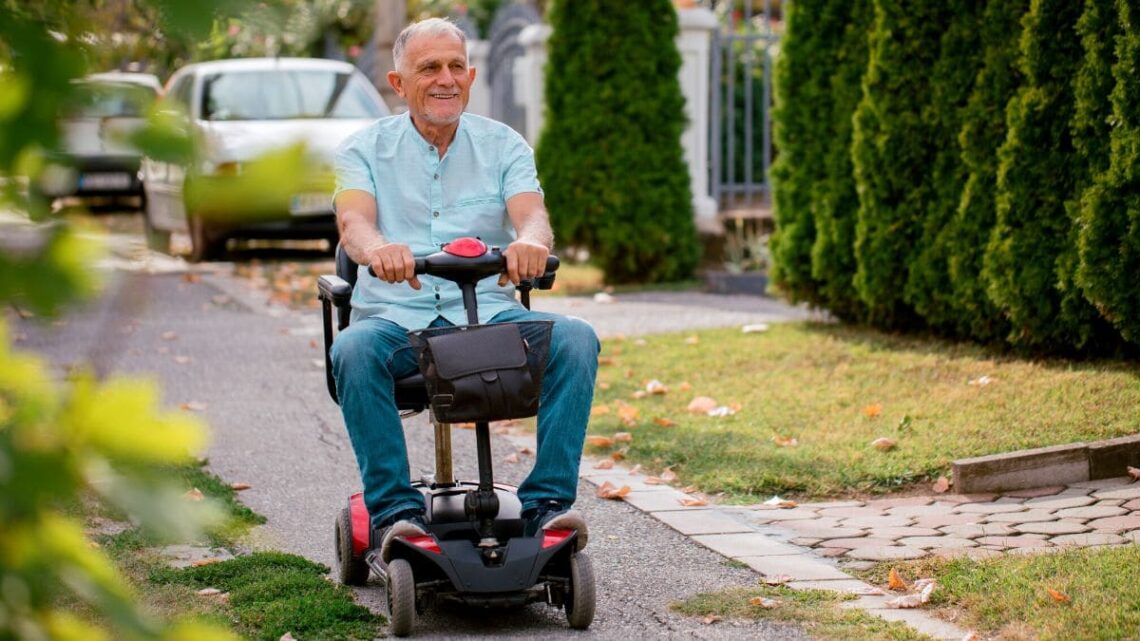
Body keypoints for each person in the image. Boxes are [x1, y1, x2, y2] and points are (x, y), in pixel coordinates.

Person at [330, 17, 599, 561]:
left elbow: (532, 214)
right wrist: (378, 249)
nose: (445, 79)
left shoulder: (504, 144)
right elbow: (354, 222)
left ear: (472, 76)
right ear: (398, 82)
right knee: (353, 349)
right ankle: (396, 515)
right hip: (396, 322)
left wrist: (530, 241)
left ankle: (547, 506)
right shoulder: (362, 149)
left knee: (576, 339)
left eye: (456, 66)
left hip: (488, 318)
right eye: (429, 68)